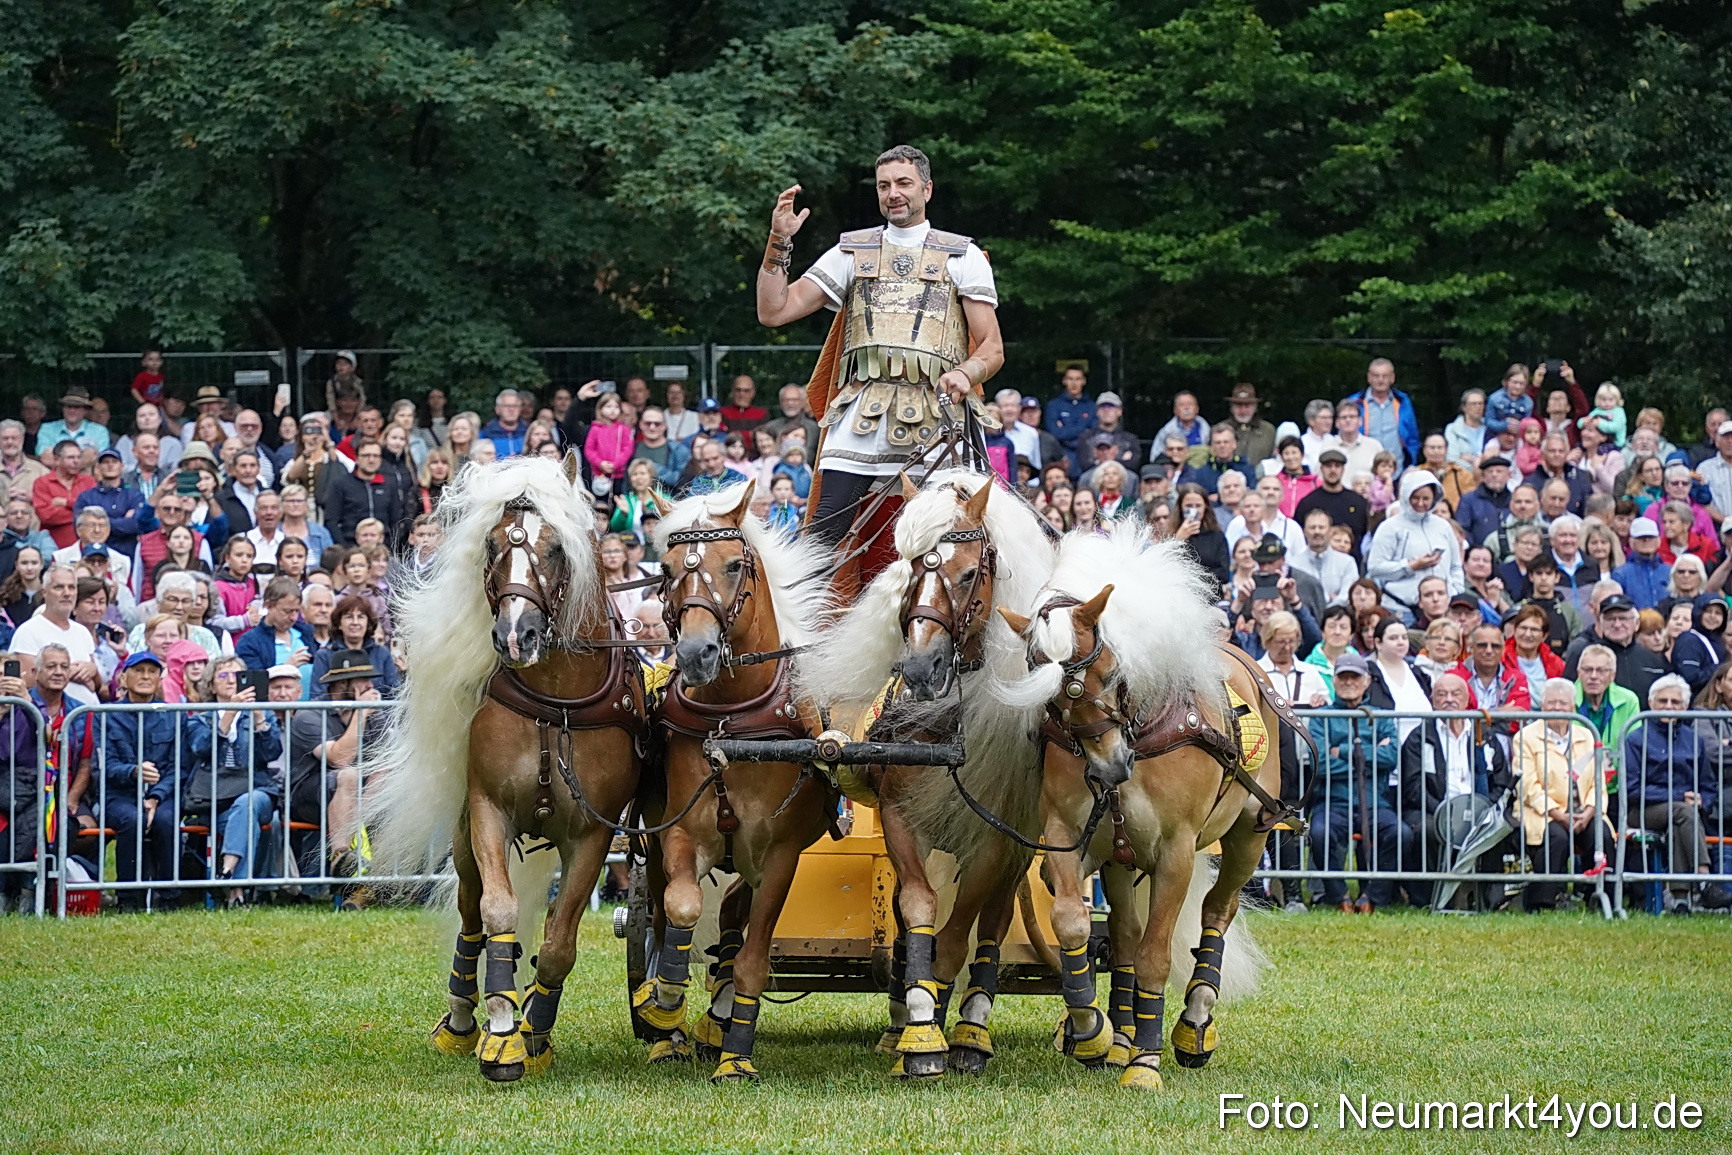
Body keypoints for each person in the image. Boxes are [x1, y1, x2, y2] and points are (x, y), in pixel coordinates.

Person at [756, 146, 1004, 549]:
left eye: (904, 183)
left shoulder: (964, 255)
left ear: (927, 188)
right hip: (859, 414)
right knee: (821, 541)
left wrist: (965, 372)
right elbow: (773, 310)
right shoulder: (851, 251)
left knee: (950, 544)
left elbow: (992, 347)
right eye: (884, 185)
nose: (893, 193)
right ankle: (807, 613)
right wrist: (779, 239)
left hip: (936, 415)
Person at [100, 651, 211, 911]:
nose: (146, 676)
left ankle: (169, 898)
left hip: (163, 795)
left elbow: (180, 766)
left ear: (160, 678)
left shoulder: (174, 715)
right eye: (139, 671)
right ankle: (129, 899)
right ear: (123, 677)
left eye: (152, 671)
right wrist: (133, 772)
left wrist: (156, 796)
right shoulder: (106, 714)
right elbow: (104, 766)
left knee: (166, 820)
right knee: (131, 819)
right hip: (119, 794)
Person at [1305, 652, 1409, 913]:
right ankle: (1338, 896)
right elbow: (1321, 764)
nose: (1349, 682)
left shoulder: (1381, 716)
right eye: (1343, 677)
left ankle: (1372, 897)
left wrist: (1342, 751)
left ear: (1367, 682)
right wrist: (1368, 756)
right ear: (1335, 681)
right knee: (1319, 833)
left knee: (1401, 834)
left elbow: (1391, 757)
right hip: (1333, 802)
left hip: (1376, 802)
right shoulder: (1321, 717)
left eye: (1355, 677)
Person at [1397, 672, 1514, 898]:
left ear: (1467, 699)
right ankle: (1431, 897)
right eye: (1442, 694)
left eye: (1455, 693)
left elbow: (1500, 779)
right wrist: (1444, 812)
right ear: (1432, 700)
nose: (1449, 699)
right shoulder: (1419, 737)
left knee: (1503, 827)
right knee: (1425, 830)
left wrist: (1486, 810)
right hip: (1434, 809)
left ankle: (1486, 896)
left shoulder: (1484, 735)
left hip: (1479, 809)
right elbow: (1413, 787)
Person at [183, 655, 283, 906]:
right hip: (215, 796)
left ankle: (226, 870)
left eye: (236, 675)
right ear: (211, 685)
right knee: (243, 817)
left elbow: (270, 754)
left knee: (248, 803)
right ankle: (236, 891)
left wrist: (259, 718)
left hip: (257, 789)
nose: (230, 681)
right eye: (223, 676)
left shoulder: (262, 713)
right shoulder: (200, 718)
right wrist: (229, 715)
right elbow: (200, 748)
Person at [1623, 676, 1728, 913]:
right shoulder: (1635, 738)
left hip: (1683, 814)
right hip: (1642, 810)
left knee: (1681, 820)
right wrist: (1680, 795)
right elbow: (1631, 788)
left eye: (1675, 702)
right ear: (1650, 703)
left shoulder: (1694, 740)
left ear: (1684, 707)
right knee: (1683, 811)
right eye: (1662, 701)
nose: (1668, 706)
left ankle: (1680, 900)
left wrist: (1703, 800)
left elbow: (1709, 786)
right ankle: (1704, 878)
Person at [284, 647, 386, 882]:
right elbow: (340, 758)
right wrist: (360, 715)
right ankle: (340, 855)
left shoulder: (374, 712)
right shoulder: (309, 715)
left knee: (385, 772)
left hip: (361, 794)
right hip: (310, 793)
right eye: (363, 681)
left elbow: (384, 755)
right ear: (342, 684)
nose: (370, 686)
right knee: (348, 774)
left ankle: (381, 873)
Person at [1514, 677, 1610, 911]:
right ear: (1542, 707)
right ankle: (1543, 902)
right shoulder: (1525, 736)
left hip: (1582, 810)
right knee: (1557, 837)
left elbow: (1599, 781)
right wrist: (1557, 814)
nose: (1557, 708)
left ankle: (1599, 896)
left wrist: (1589, 811)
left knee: (1602, 834)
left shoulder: (1588, 735)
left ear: (1573, 707)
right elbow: (1527, 784)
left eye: (1563, 703)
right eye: (1551, 703)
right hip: (1542, 811)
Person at [1365, 470, 1463, 621]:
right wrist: (1411, 566)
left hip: (1441, 608)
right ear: (1405, 496)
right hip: (1402, 608)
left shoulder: (1443, 526)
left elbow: (1455, 566)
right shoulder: (1390, 527)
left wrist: (1455, 591)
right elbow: (1375, 568)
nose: (1420, 503)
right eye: (1415, 498)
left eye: (1426, 498)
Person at [310, 596, 398, 694]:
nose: (355, 622)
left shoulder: (382, 653)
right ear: (339, 623)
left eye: (360, 617)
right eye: (349, 617)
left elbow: (394, 692)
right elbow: (317, 695)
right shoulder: (324, 655)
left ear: (368, 623)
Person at [1257, 611, 1329, 708]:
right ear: (1267, 641)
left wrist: (1321, 700)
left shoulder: (1310, 671)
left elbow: (1329, 703)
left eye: (1291, 641)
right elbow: (1243, 709)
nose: (1287, 648)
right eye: (1281, 642)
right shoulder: (1255, 672)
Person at [1167, 484, 1229, 591]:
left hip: (1211, 597)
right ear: (1181, 507)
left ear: (1205, 507)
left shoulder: (1216, 536)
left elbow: (1224, 574)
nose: (1193, 510)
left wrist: (1193, 578)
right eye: (1189, 506)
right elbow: (1167, 567)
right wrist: (1177, 541)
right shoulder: (1171, 536)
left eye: (1198, 506)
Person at [1610, 517, 1671, 610]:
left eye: (1650, 537)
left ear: (1658, 541)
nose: (1646, 541)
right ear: (1631, 542)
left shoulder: (1669, 571)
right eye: (1641, 538)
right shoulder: (1621, 574)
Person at [37, 387, 111, 454]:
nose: (72, 411)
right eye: (69, 406)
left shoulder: (99, 431)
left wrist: (59, 457)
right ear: (63, 409)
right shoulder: (47, 429)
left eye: (77, 407)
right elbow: (44, 457)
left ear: (85, 411)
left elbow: (101, 459)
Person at [1222, 383, 1276, 467]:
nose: (1243, 411)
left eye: (1247, 406)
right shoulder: (1220, 430)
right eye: (1239, 406)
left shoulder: (1268, 431)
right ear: (1231, 408)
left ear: (1255, 408)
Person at [478, 389, 528, 458]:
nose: (511, 410)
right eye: (506, 406)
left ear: (520, 409)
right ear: (497, 409)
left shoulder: (529, 432)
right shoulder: (485, 434)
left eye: (515, 406)